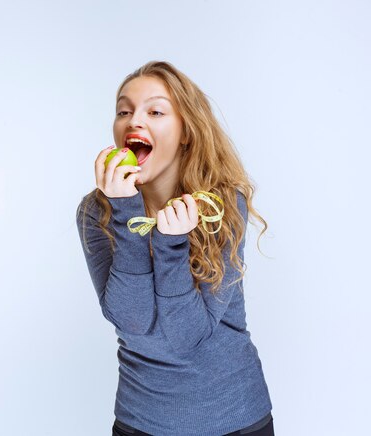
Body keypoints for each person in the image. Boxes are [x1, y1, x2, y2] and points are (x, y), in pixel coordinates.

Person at [75, 61, 275, 436]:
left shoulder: (223, 205)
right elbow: (131, 320)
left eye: (155, 111)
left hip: (236, 422)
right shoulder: (97, 211)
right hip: (141, 423)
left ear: (185, 132)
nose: (133, 121)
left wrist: (171, 245)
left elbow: (187, 336)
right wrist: (125, 212)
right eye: (124, 111)